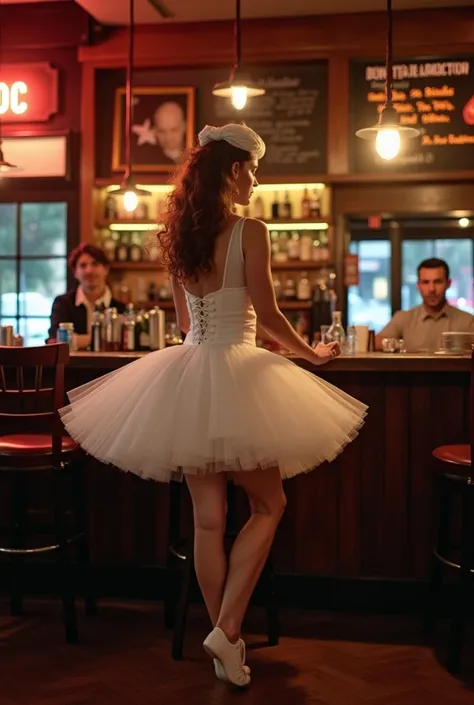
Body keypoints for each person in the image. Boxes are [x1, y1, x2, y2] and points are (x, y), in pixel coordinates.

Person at [59, 123, 367, 687]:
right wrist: (311, 356)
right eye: (252, 169)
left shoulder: (179, 236)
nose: (255, 180)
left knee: (208, 520)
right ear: (232, 171)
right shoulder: (251, 230)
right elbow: (269, 318)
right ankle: (227, 629)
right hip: (238, 370)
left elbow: (182, 323)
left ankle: (223, 635)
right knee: (269, 505)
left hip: (189, 368)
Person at [376, 258, 474, 352]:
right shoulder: (404, 318)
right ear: (418, 285)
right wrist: (399, 345)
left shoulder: (468, 322)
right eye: (425, 282)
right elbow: (375, 342)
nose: (431, 289)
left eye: (437, 282)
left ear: (448, 283)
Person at [47, 244, 125, 349]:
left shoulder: (121, 308)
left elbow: (124, 342)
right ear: (75, 272)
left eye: (95, 264)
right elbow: (55, 341)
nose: (89, 271)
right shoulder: (62, 303)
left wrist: (74, 340)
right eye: (83, 265)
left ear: (106, 269)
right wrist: (101, 339)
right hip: (71, 365)